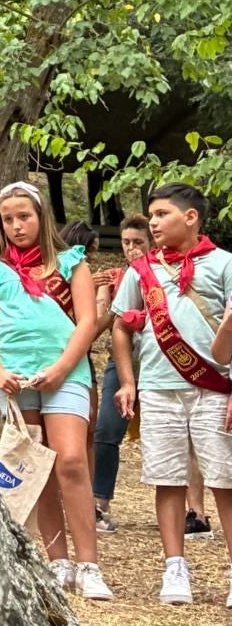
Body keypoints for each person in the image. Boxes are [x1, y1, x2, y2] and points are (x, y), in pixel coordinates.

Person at [0, 180, 111, 600]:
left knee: (70, 458)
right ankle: (58, 561)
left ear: (42, 217)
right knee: (39, 464)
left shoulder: (72, 263)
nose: (17, 226)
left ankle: (90, 563)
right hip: (14, 377)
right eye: (8, 219)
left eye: (24, 217)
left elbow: (87, 321)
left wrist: (62, 367)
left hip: (65, 373)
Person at [113, 182, 232, 606]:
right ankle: (174, 567)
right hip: (159, 388)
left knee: (225, 480)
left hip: (214, 390)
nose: (154, 222)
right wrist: (128, 381)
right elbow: (121, 327)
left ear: (191, 217)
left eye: (162, 214)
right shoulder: (140, 270)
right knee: (167, 480)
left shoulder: (225, 265)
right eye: (152, 215)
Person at [91, 213, 150, 532]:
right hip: (121, 360)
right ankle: (99, 503)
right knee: (105, 432)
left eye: (138, 242)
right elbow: (106, 319)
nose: (132, 249)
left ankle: (193, 510)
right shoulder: (119, 276)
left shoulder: (164, 275)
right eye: (126, 243)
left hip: (161, 363)